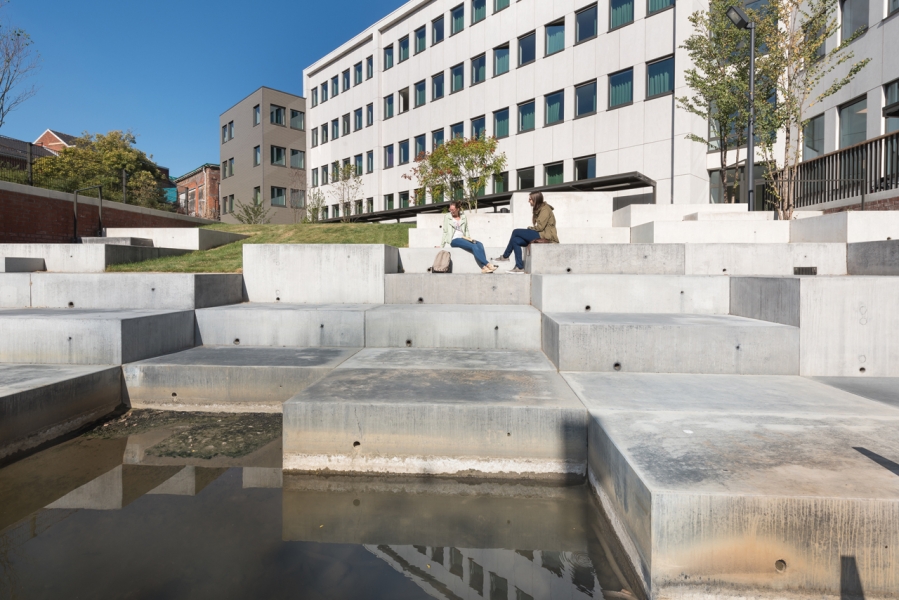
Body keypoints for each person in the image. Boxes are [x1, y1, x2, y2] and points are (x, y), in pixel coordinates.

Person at [493, 192, 558, 272]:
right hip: (541, 233)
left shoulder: (545, 209)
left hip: (546, 236)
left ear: (536, 199)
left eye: (530, 199)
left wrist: (529, 228)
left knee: (516, 232)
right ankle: (519, 267)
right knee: (515, 240)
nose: (528, 201)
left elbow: (540, 227)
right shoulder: (539, 209)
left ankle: (505, 256)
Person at [440, 201, 498, 273]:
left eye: (453, 210)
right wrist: (441, 246)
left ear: (458, 209)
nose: (451, 211)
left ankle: (484, 268)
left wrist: (469, 239)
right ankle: (487, 264)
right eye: (450, 209)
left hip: (463, 238)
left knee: (479, 244)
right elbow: (445, 231)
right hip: (454, 239)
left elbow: (466, 229)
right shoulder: (447, 217)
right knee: (473, 247)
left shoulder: (463, 217)